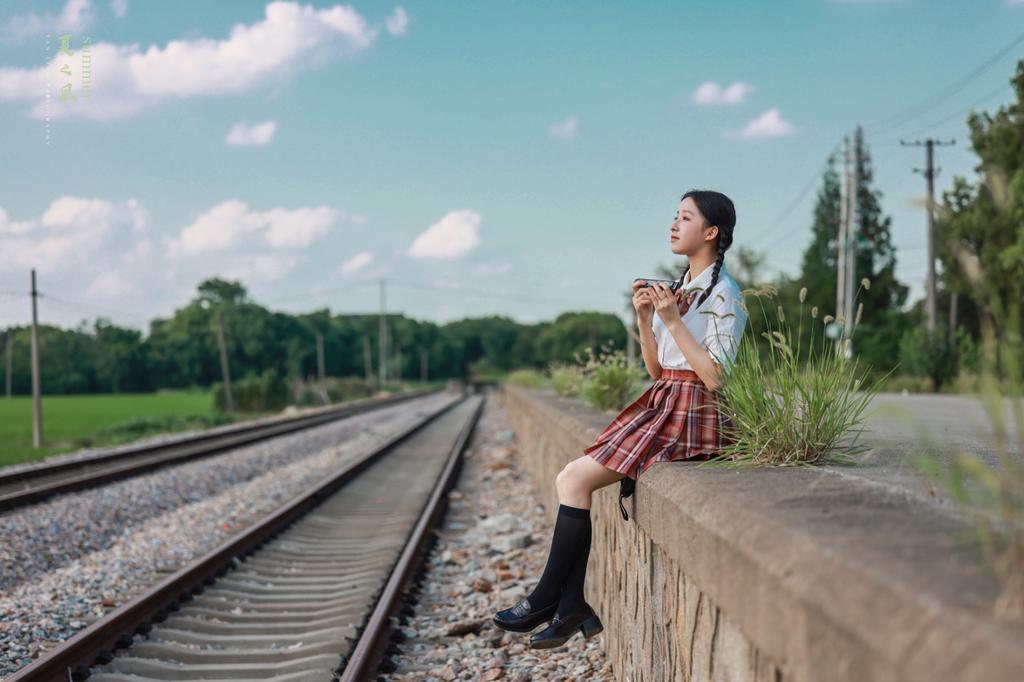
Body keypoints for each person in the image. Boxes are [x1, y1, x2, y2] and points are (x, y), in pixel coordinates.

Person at [492, 189, 748, 650]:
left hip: (691, 409)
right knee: (571, 479)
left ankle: (552, 600)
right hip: (665, 396)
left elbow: (716, 377)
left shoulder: (726, 294)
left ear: (710, 232)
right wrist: (647, 318)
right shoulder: (683, 289)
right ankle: (568, 605)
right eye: (674, 215)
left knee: (574, 481)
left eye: (685, 217)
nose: (673, 224)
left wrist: (671, 321)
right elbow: (656, 370)